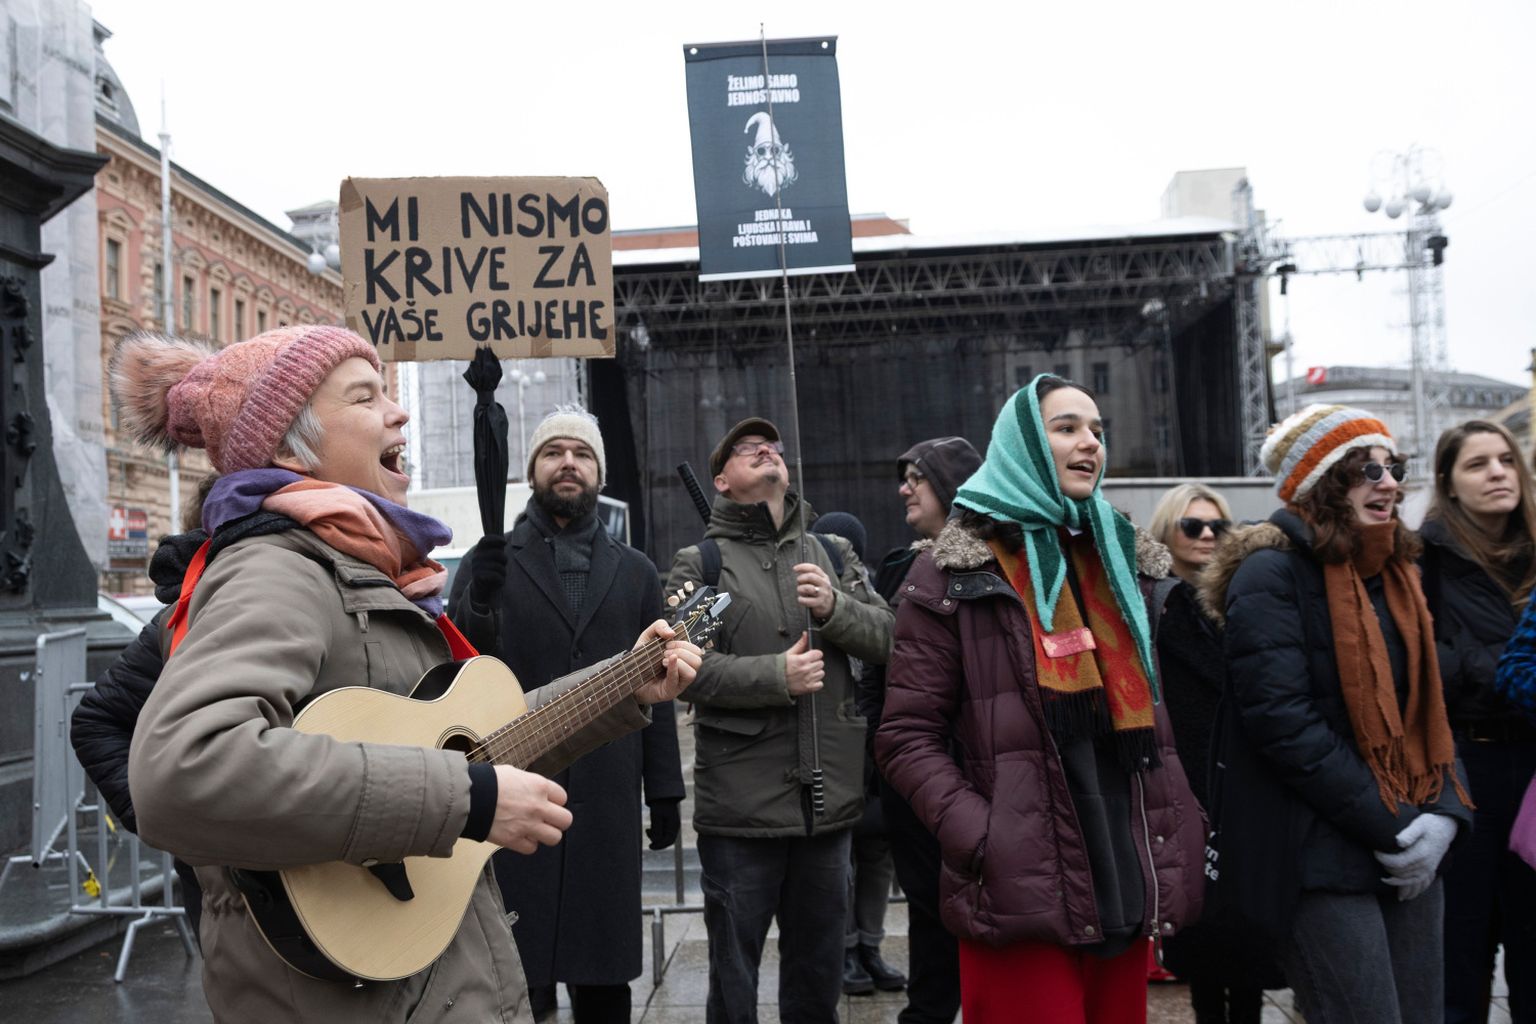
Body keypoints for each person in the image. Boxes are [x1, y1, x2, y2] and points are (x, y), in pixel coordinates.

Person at [114, 326, 700, 1024]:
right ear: (288, 447)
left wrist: (623, 683)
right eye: (365, 397)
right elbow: (184, 767)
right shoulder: (278, 568)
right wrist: (464, 798)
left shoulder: (363, 568)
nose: (400, 413)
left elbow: (479, 743)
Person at [876, 376, 1206, 1024]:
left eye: (1097, 431)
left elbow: (1171, 715)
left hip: (1125, 868)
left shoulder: (1124, 564)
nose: (1090, 443)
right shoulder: (953, 572)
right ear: (1022, 444)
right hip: (1019, 883)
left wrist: (1186, 816)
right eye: (1067, 428)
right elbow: (905, 736)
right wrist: (985, 836)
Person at [1200, 403, 1473, 1023]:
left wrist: (1446, 817)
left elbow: (1428, 709)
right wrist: (1393, 824)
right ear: (1322, 483)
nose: (1390, 483)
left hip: (1412, 840)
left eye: (1394, 467)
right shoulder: (1269, 574)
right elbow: (1282, 721)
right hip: (1318, 854)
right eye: (1367, 470)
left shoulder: (1396, 573)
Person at [448, 404, 685, 1024]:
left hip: (606, 790)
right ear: (532, 470)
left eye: (581, 454)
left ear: (599, 473)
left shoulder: (635, 571)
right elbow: (456, 665)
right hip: (514, 782)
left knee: (602, 974)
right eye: (553, 452)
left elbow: (657, 680)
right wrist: (478, 599)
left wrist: (664, 788)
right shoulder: (491, 559)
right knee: (517, 974)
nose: (568, 463)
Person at [664, 417, 894, 1024]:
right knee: (733, 981)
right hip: (741, 812)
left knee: (818, 980)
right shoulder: (703, 564)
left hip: (828, 808)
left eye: (773, 447)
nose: (766, 451)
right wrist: (774, 677)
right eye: (748, 448)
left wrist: (836, 607)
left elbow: (891, 638)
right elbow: (683, 670)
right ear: (721, 479)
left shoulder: (831, 551)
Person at [1148, 483, 1282, 1024]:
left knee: (1247, 925)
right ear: (1167, 532)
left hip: (1244, 778)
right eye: (1192, 525)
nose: (1206, 535)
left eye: (1218, 526)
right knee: (1200, 924)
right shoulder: (1151, 601)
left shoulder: (1244, 597)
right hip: (1181, 778)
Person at [1421, 420, 1536, 1023]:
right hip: (1464, 766)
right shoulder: (1423, 561)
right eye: (1477, 464)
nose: (1497, 473)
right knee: (1460, 950)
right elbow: (1422, 670)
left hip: (1535, 769)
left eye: (1506, 460)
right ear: (1448, 483)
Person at [867, 436, 982, 1024]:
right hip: (912, 779)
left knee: (970, 913)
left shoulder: (990, 564)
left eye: (917, 478)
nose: (904, 489)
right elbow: (879, 675)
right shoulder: (900, 567)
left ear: (951, 487)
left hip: (976, 774)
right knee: (927, 908)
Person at [808, 511, 907, 998]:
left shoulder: (869, 592)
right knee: (842, 858)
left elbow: (887, 647)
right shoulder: (809, 590)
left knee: (877, 854)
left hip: (876, 744)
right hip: (837, 745)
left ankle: (869, 945)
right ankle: (846, 949)